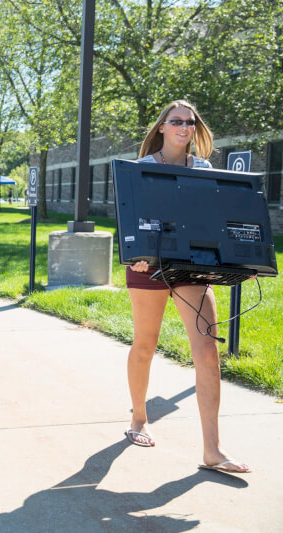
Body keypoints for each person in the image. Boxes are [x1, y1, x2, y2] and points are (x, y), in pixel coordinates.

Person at [125, 100, 250, 473]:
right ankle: (139, 419)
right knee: (146, 344)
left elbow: (214, 219)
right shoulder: (143, 168)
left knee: (208, 350)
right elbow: (132, 217)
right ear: (162, 127)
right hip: (149, 265)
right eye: (176, 121)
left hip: (192, 266)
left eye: (190, 122)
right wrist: (137, 254)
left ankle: (212, 450)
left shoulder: (204, 169)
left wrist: (239, 257)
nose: (184, 126)